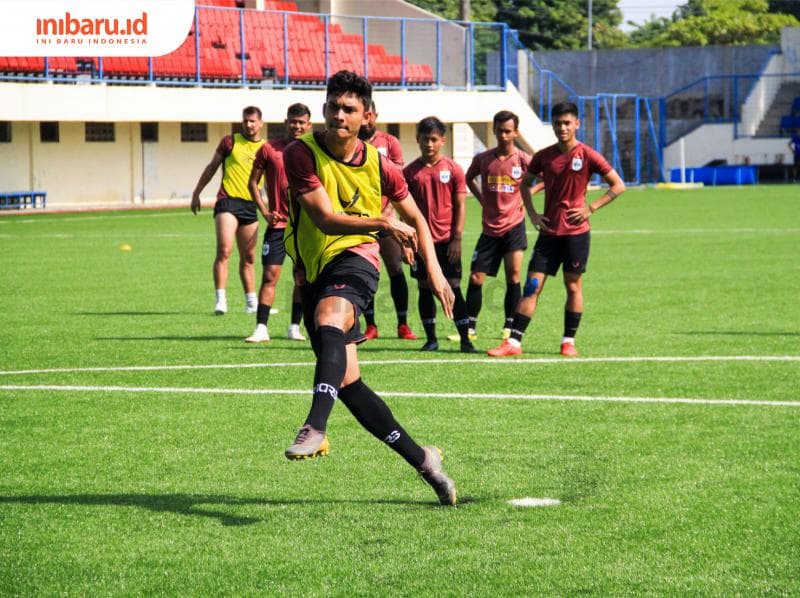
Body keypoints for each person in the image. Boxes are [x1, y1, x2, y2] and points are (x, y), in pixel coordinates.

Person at [281, 70, 457, 505]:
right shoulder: (300, 154)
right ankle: (425, 460)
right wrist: (382, 221)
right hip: (316, 266)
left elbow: (416, 218)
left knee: (329, 318)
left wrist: (433, 272)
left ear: (367, 116)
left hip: (358, 257)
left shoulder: (382, 165)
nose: (339, 115)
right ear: (323, 109)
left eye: (349, 109)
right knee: (349, 383)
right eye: (333, 107)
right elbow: (323, 218)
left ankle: (315, 427)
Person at [488, 101, 625, 358]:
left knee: (573, 286)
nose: (562, 128)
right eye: (558, 123)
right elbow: (525, 185)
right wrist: (532, 213)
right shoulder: (544, 156)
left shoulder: (587, 154)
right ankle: (514, 343)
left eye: (566, 123)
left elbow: (618, 185)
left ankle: (568, 341)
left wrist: (590, 208)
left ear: (576, 124)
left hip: (576, 234)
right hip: (549, 234)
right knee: (531, 286)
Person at [404, 116, 476, 353]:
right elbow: (404, 209)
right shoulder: (410, 172)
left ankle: (465, 339)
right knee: (424, 288)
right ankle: (431, 338)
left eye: (434, 139)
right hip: (421, 244)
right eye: (425, 139)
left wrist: (457, 238)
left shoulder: (453, 169)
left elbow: (461, 206)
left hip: (447, 241)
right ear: (418, 140)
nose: (429, 144)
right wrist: (408, 240)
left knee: (453, 287)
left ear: (443, 141)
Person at [461, 110, 532, 342]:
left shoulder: (523, 160)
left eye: (508, 131)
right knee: (475, 278)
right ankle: (469, 327)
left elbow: (545, 178)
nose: (503, 136)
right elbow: (468, 178)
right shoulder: (483, 159)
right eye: (500, 131)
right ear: (494, 131)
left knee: (513, 275)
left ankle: (509, 325)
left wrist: (525, 196)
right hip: (489, 229)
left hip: (514, 227)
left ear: (516, 132)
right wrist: (482, 200)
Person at [245, 103, 313, 343]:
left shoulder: (313, 150)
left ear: (308, 125)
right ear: (286, 122)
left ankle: (295, 326)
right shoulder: (269, 149)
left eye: (301, 122)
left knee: (301, 277)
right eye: (293, 122)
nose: (297, 126)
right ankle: (261, 328)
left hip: (304, 226)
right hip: (278, 225)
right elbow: (253, 182)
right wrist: (264, 211)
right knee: (270, 275)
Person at [191, 106, 265, 315]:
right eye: (245, 120)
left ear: (260, 123)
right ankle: (220, 300)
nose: (248, 125)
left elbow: (271, 181)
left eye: (252, 121)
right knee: (224, 250)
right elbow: (212, 167)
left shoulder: (266, 148)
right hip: (228, 202)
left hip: (250, 206)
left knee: (249, 258)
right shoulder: (229, 141)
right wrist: (197, 192)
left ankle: (252, 303)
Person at [358, 101, 418, 341]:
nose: (366, 119)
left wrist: (389, 213)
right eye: (363, 115)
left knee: (395, 269)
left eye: (370, 115)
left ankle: (403, 324)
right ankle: (370, 325)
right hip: (362, 220)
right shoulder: (351, 143)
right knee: (365, 271)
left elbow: (398, 182)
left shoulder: (389, 143)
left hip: (387, 219)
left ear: (375, 116)